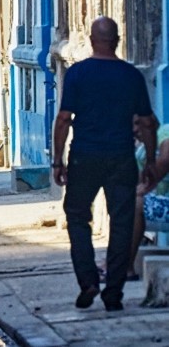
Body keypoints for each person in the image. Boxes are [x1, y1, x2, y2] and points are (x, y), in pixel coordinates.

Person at [51, 17, 159, 312]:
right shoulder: (131, 76)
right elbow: (147, 123)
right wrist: (150, 161)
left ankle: (87, 280)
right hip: (121, 157)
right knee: (122, 222)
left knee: (77, 217)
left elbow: (63, 119)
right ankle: (114, 290)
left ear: (91, 39)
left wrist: (57, 162)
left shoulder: (78, 74)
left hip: (84, 155)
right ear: (118, 40)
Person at [130, 125, 169, 279]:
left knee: (135, 205)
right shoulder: (141, 153)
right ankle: (117, 263)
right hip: (164, 208)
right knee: (127, 204)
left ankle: (124, 268)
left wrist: (146, 187)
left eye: (137, 123)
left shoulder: (164, 132)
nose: (134, 129)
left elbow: (166, 159)